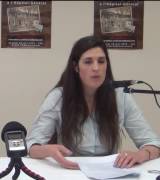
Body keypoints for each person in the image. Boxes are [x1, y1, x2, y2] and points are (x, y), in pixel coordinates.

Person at [26, 35, 160, 170]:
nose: (96, 68)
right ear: (76, 67)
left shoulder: (120, 96)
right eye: (88, 62)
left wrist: (141, 154)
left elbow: (152, 143)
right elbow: (32, 146)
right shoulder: (58, 97)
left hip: (109, 172)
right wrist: (49, 151)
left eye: (101, 61)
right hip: (70, 171)